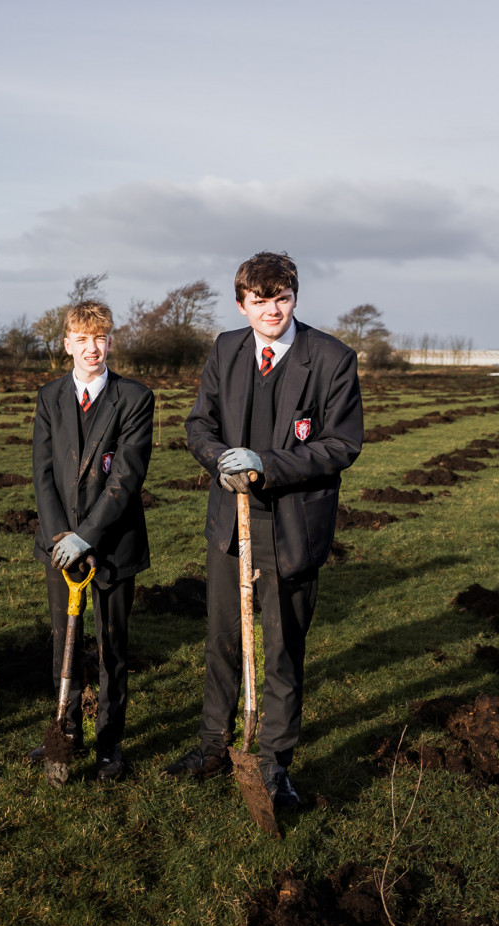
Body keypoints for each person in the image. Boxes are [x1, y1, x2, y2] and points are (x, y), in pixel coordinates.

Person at [165, 251, 363, 809]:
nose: (272, 309)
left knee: (280, 649)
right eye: (260, 300)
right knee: (223, 641)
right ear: (241, 304)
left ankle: (275, 762)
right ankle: (211, 745)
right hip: (231, 521)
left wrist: (267, 465)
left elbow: (342, 444)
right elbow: (198, 422)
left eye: (282, 298)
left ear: (295, 297)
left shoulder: (331, 358)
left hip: (293, 526)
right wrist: (221, 460)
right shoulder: (226, 349)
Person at [24, 300, 155, 781]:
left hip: (114, 544)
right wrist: (63, 536)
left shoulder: (135, 398)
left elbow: (126, 476)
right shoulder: (49, 397)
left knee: (111, 647)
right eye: (82, 339)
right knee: (65, 641)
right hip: (59, 547)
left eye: (99, 339)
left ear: (111, 343)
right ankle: (67, 732)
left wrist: (87, 536)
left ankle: (109, 744)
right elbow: (41, 475)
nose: (91, 348)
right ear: (66, 345)